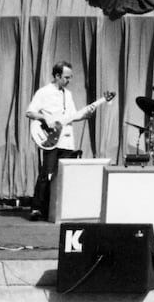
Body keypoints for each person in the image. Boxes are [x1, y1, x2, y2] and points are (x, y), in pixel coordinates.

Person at [25, 60, 112, 220]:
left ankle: (56, 208)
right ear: (57, 76)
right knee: (47, 173)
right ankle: (36, 208)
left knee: (63, 175)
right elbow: (30, 112)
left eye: (70, 77)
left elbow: (73, 115)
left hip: (66, 140)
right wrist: (45, 119)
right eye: (66, 77)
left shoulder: (68, 94)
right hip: (50, 138)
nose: (68, 81)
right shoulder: (44, 92)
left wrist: (87, 113)